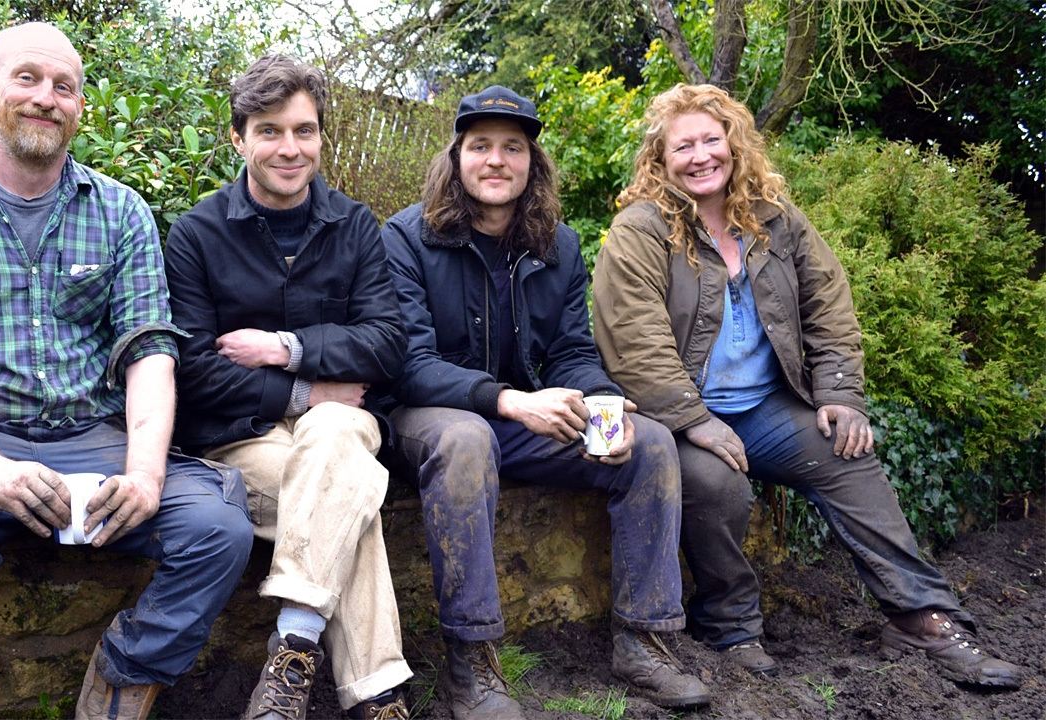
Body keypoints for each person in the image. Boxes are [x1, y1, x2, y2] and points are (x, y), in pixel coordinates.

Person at [0, 22, 255, 720]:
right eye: (28, 79)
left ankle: (124, 678)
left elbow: (150, 356)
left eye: (63, 86)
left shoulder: (122, 211)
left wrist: (146, 473)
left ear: (80, 106)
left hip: (88, 441)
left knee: (218, 522)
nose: (47, 98)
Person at [593, 83, 1024, 689]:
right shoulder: (640, 230)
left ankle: (921, 615)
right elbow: (632, 337)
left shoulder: (775, 220)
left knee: (847, 455)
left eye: (710, 140)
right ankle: (730, 625)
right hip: (679, 417)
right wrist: (694, 420)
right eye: (681, 146)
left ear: (734, 145)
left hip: (767, 408)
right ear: (659, 161)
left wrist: (841, 396)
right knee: (716, 484)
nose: (699, 157)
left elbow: (829, 303)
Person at [380, 86, 710, 717]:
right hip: (431, 420)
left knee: (651, 446)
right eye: (480, 147)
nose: (496, 160)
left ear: (532, 162)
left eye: (512, 147)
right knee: (466, 439)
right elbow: (409, 366)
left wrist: (602, 400)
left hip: (522, 418)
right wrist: (507, 401)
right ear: (456, 158)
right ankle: (472, 663)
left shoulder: (557, 245)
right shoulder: (406, 238)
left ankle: (644, 640)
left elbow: (571, 350)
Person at [164, 55, 412, 720]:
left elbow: (388, 340)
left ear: (322, 138)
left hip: (344, 425)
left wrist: (286, 349)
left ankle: (290, 659)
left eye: (304, 131)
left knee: (334, 439)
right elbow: (191, 366)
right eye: (270, 131)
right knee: (346, 500)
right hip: (240, 438)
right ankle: (378, 695)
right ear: (239, 139)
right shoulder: (196, 234)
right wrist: (304, 394)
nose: (289, 147)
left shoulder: (356, 226)